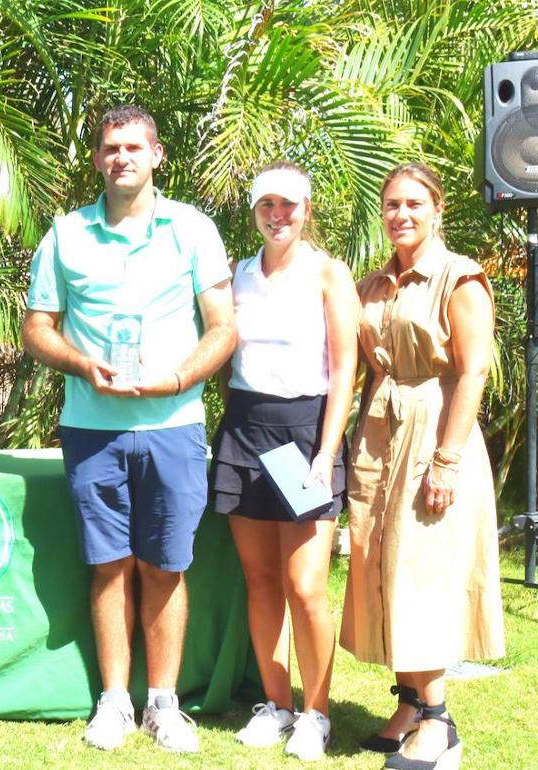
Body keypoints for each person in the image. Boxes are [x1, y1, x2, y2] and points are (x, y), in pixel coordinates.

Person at [22, 104, 235, 755]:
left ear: (157, 155)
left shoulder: (192, 230)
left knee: (165, 566)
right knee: (110, 566)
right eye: (111, 148)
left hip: (173, 424)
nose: (123, 158)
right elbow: (36, 328)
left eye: (134, 147)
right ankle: (115, 700)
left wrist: (173, 381)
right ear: (96, 160)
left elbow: (223, 328)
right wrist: (83, 364)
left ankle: (163, 704)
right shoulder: (66, 234)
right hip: (93, 428)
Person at [341, 162, 505, 770]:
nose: (401, 214)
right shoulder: (375, 283)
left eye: (413, 203)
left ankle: (439, 722)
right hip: (382, 429)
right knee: (383, 564)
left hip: (435, 424)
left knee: (421, 570)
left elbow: (473, 370)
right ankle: (409, 702)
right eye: (391, 205)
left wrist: (447, 457)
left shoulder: (459, 278)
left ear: (437, 209)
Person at [207, 162, 359, 760]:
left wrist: (325, 451)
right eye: (267, 205)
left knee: (305, 585)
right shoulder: (236, 276)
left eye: (288, 205)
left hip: (305, 434)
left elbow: (345, 367)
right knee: (261, 579)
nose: (278, 215)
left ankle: (316, 713)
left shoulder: (328, 272)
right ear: (253, 211)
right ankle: (277, 706)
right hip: (246, 429)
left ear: (306, 209)